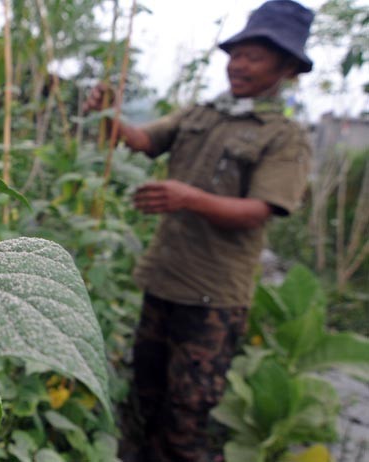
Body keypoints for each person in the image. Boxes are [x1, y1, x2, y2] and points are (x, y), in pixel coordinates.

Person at [82, 1, 314, 461]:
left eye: (255, 56)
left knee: (186, 413)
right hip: (164, 279)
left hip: (213, 296)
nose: (239, 64)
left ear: (286, 67)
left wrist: (188, 198)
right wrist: (107, 116)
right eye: (236, 53)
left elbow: (260, 209)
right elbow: (143, 140)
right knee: (144, 395)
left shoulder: (284, 136)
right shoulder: (202, 113)